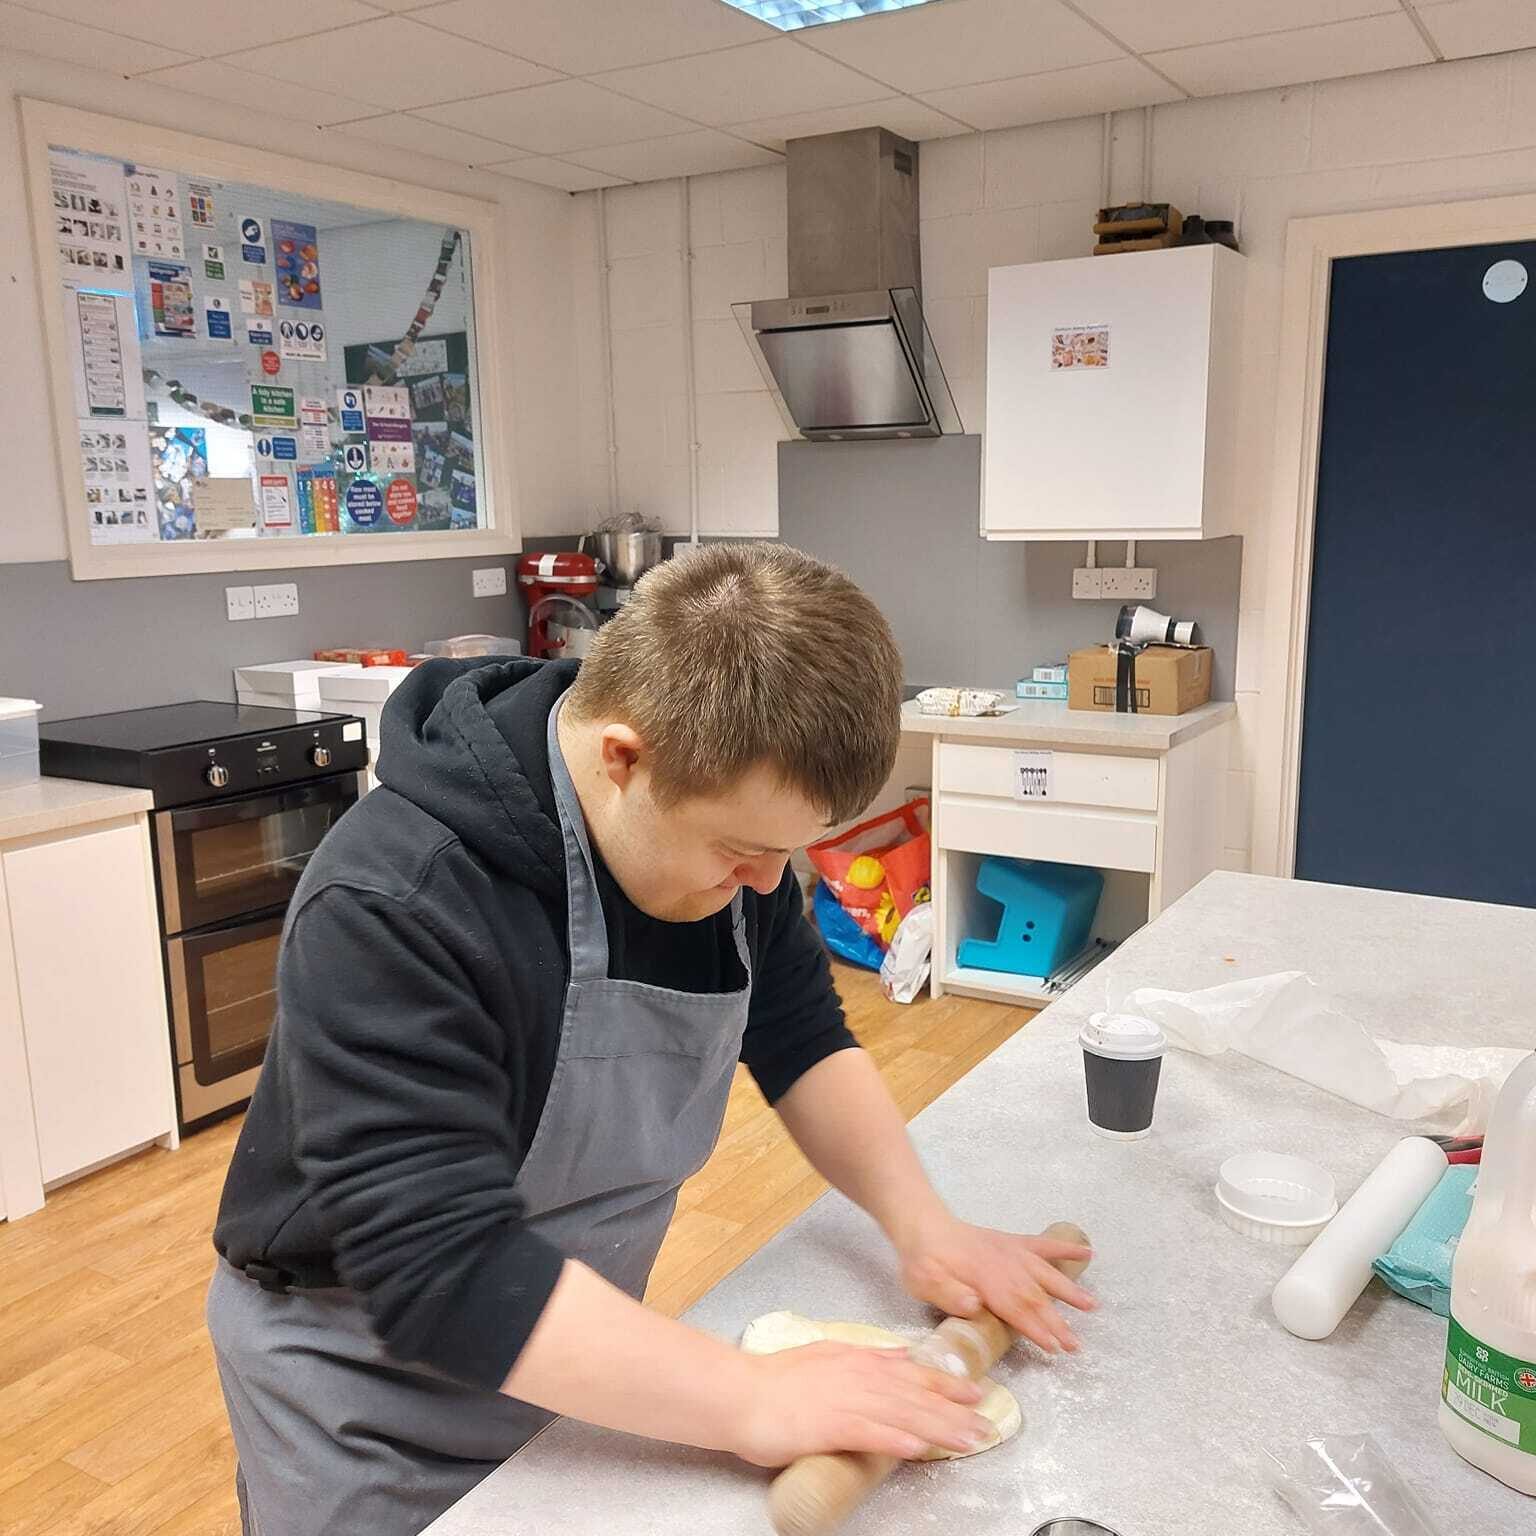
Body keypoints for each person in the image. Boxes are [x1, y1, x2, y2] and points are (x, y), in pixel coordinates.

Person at [207, 543, 1095, 1535]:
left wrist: (924, 1227)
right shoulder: (395, 902)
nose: (768, 887)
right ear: (625, 757)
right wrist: (753, 1398)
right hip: (367, 1392)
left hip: (573, 1352)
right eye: (744, 851)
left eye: (784, 853)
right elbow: (442, 1273)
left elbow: (800, 1032)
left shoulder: (718, 829)